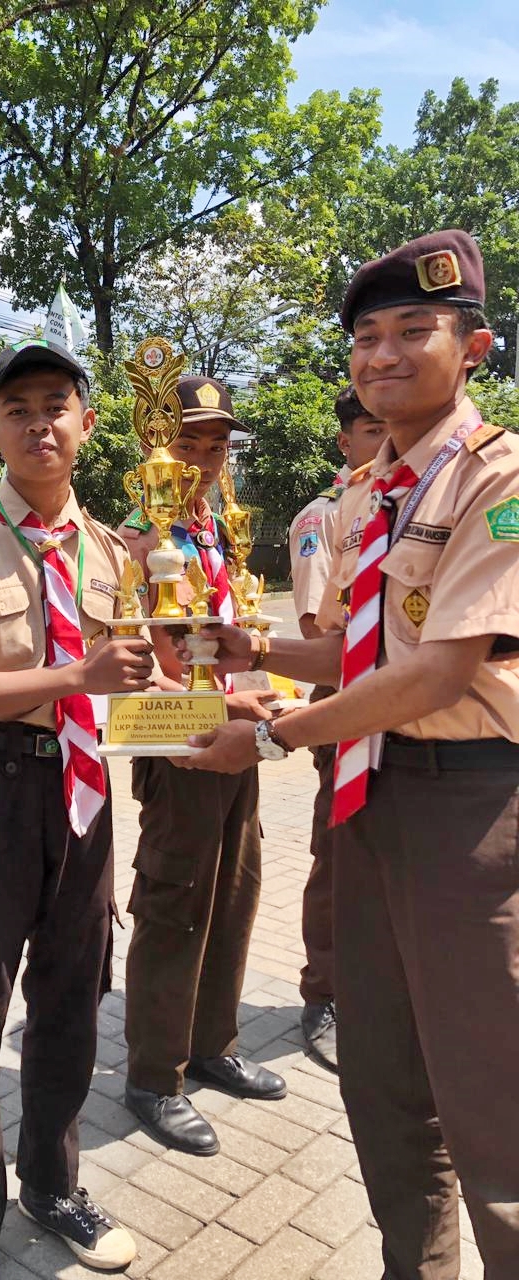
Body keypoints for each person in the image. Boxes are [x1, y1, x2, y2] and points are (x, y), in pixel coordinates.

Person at [172, 230, 519, 1280]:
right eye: (366, 336)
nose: (382, 354)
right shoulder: (373, 491)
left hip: (471, 811)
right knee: (383, 1076)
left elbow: (435, 674)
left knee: (490, 1096)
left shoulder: (497, 474)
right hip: (371, 797)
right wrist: (252, 646)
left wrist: (271, 730)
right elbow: (355, 646)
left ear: (475, 347)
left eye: (415, 329)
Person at [0, 339, 153, 1280]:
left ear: (87, 424)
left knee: (71, 1004)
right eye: (18, 409)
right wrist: (72, 675)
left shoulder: (117, 554)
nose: (39, 423)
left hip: (85, 795)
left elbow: (132, 685)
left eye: (58, 405)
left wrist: (222, 701)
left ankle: (52, 1188)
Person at [119, 375, 286, 1159]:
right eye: (190, 444)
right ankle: (155, 1075)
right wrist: (220, 710)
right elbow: (143, 661)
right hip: (182, 744)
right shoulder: (135, 537)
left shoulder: (215, 531)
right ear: (157, 447)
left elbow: (229, 634)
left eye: (217, 447)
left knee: (236, 893)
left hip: (238, 734)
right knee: (175, 902)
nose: (206, 460)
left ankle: (213, 1043)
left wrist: (256, 695)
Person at [286, 386, 386, 1071]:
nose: (383, 441)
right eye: (370, 429)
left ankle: (376, 992)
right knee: (338, 858)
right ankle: (323, 994)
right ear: (345, 440)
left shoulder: (424, 499)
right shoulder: (326, 517)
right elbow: (318, 629)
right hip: (348, 707)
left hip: (418, 720)